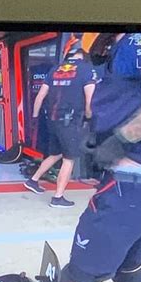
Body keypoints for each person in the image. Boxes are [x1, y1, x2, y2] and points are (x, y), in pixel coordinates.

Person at [21, 32, 141, 282]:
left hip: (131, 183)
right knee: (130, 266)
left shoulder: (136, 41)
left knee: (78, 279)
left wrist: (121, 138)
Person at [23, 38, 97, 208]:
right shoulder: (87, 70)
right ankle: (58, 197)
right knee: (69, 159)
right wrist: (88, 117)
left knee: (56, 153)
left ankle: (33, 180)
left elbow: (40, 96)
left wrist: (34, 117)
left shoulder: (54, 69)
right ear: (82, 55)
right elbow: (90, 99)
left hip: (53, 120)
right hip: (70, 122)